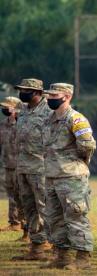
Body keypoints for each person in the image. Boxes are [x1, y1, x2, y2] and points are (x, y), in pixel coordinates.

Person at [40, 83, 96, 270]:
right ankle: (62, 256)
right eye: (49, 95)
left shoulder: (76, 119)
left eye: (55, 95)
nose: (50, 98)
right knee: (54, 218)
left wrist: (76, 163)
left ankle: (83, 257)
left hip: (71, 177)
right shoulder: (49, 119)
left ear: (67, 96)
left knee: (76, 216)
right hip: (51, 175)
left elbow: (87, 145)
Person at [12, 78, 52, 261]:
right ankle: (36, 247)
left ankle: (52, 244)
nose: (22, 93)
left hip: (41, 168)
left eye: (26, 90)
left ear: (37, 92)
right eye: (21, 90)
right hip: (23, 167)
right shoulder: (23, 111)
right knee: (29, 209)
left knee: (44, 208)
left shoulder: (50, 112)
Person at [0, 97, 24, 233]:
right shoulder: (2, 125)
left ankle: (25, 224)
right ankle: (14, 222)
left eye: (7, 106)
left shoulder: (22, 124)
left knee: (22, 195)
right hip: (7, 164)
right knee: (11, 194)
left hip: (22, 165)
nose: (4, 109)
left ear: (16, 108)